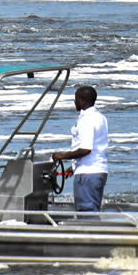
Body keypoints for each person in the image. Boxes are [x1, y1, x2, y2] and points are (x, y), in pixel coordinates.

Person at [51, 84, 109, 213]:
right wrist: (73, 167)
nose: (74, 102)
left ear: (83, 100)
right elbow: (95, 146)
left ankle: (90, 232)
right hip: (98, 170)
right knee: (93, 209)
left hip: (87, 173)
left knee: (87, 212)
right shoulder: (100, 117)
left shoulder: (87, 120)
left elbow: (86, 149)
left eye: (76, 98)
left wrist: (62, 156)